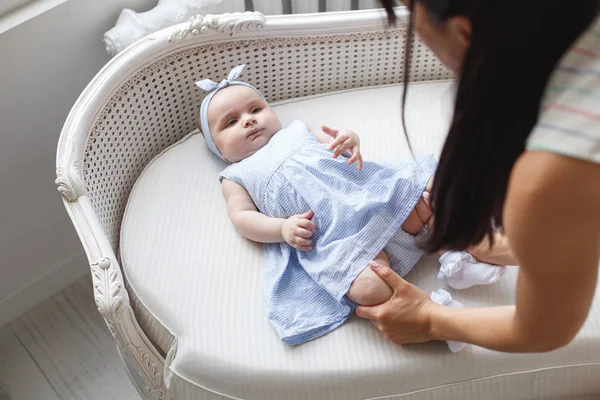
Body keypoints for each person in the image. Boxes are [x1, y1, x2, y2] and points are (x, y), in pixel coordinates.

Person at [194, 64, 504, 346]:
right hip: (338, 238)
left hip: (373, 197)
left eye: (255, 109)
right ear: (219, 150)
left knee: (434, 189)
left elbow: (339, 142)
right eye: (231, 122)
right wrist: (281, 228)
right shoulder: (235, 176)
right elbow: (243, 218)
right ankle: (432, 310)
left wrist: (350, 139)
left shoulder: (298, 131)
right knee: (367, 287)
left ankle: (456, 252)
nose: (248, 120)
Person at [354, 0, 600, 352]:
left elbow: (545, 328)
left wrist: (429, 318)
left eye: (408, 8)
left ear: (464, 30)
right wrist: (507, 246)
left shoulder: (550, 175)